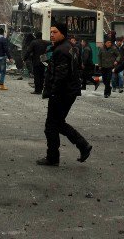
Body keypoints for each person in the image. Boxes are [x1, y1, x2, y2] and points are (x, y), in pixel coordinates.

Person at [36, 22, 92, 166]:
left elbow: (61, 75)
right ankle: (82, 146)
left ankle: (53, 157)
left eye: (55, 32)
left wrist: (53, 93)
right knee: (57, 124)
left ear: (62, 33)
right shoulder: (68, 47)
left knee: (51, 126)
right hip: (68, 92)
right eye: (51, 32)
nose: (52, 34)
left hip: (62, 93)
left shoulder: (62, 50)